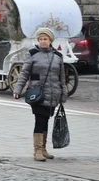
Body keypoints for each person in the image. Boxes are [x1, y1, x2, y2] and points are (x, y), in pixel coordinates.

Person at [12, 27, 67, 162]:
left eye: (45, 39)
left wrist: (63, 93)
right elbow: (24, 73)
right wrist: (18, 89)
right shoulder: (32, 54)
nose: (43, 41)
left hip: (53, 94)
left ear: (50, 41)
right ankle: (37, 150)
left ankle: (43, 149)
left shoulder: (58, 56)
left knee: (46, 120)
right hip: (38, 94)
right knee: (39, 120)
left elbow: (62, 77)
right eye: (41, 39)